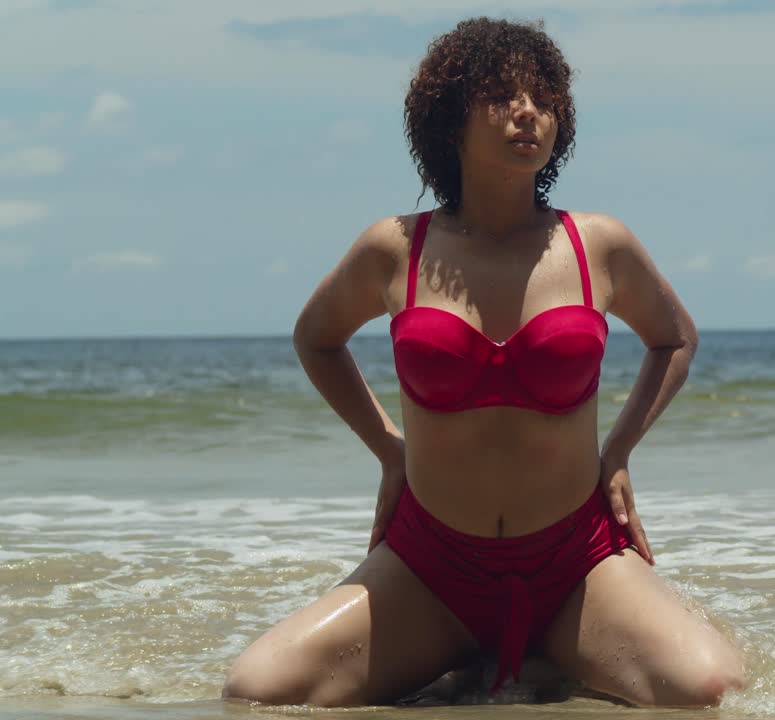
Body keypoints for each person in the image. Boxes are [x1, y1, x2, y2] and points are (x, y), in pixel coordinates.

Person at [221, 16, 744, 709]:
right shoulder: (396, 250)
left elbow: (675, 337)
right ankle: (469, 645)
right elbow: (316, 338)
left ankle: (551, 644)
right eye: (503, 96)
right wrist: (389, 450)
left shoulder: (598, 246)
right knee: (256, 690)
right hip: (432, 566)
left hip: (575, 563)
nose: (529, 112)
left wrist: (618, 451)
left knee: (709, 689)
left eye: (544, 99)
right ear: (450, 119)